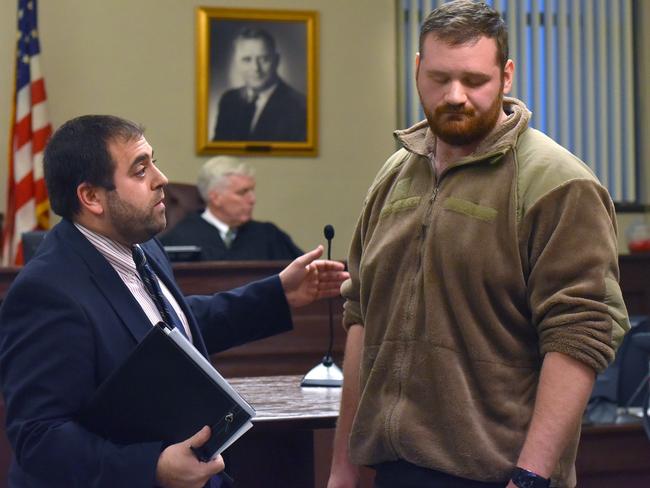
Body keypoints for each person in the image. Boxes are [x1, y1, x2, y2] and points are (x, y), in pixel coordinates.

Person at [327, 2, 629, 488]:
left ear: (506, 76)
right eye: (440, 78)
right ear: (418, 70)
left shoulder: (557, 182)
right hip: (393, 468)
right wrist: (342, 468)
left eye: (474, 80)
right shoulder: (394, 176)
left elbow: (578, 336)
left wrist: (530, 478)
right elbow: (361, 315)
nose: (455, 96)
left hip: (497, 474)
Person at [0, 114, 348, 488]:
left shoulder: (142, 245)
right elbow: (39, 438)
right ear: (91, 197)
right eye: (139, 170)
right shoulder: (46, 291)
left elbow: (170, 333)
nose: (161, 178)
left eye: (153, 161)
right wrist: (152, 467)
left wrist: (278, 293)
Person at [161, 156, 303, 261]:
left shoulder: (269, 236)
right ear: (215, 197)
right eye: (242, 192)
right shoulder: (180, 239)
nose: (252, 199)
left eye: (252, 191)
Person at [212, 27, 306, 142]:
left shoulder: (300, 107)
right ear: (237, 63)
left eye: (263, 59)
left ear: (276, 60)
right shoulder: (228, 100)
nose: (256, 68)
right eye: (247, 60)